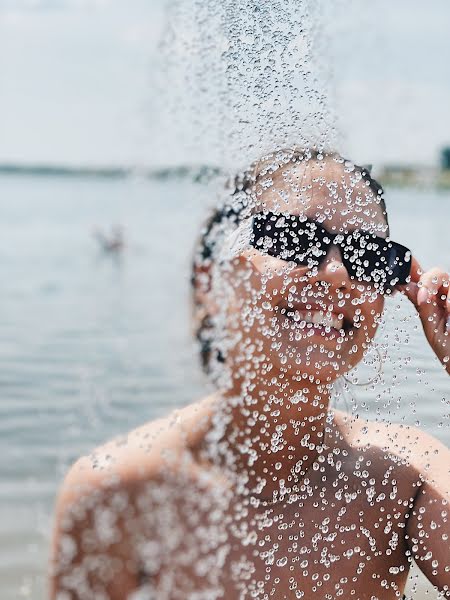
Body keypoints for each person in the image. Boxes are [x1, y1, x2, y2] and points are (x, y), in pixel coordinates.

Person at [49, 148, 450, 600]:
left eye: (368, 257)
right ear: (213, 282)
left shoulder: (407, 475)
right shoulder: (118, 489)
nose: (337, 274)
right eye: (295, 239)